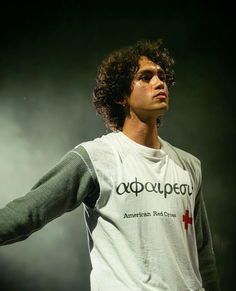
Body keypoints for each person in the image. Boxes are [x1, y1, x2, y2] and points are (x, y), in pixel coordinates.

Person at [0, 39, 220, 291]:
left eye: (161, 76)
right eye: (145, 77)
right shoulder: (95, 158)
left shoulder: (189, 166)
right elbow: (29, 212)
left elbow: (203, 254)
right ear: (121, 96)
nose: (159, 83)